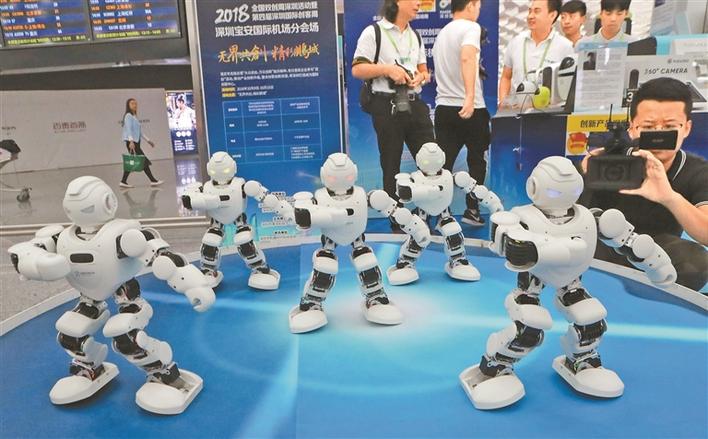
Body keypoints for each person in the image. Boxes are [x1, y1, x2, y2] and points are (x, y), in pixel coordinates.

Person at [581, 77, 708, 291]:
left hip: (656, 255)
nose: (658, 134)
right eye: (648, 126)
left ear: (686, 128)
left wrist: (669, 197)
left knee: (696, 262)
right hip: (600, 247)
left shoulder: (697, 170)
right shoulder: (605, 161)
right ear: (632, 128)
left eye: (669, 126)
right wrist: (584, 176)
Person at [352, 0, 435, 230]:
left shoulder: (415, 35)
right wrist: (388, 69)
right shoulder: (374, 32)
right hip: (386, 105)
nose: (418, 3)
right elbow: (358, 69)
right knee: (391, 164)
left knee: (430, 159)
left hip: (415, 103)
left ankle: (427, 212)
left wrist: (421, 77)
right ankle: (397, 218)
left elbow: (423, 70)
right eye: (414, 0)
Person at [432, 0, 490, 225]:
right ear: (471, 4)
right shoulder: (471, 27)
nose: (478, 10)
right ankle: (472, 210)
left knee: (442, 166)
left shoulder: (442, 34)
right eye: (478, 6)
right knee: (477, 161)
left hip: (444, 108)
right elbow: (467, 57)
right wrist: (469, 97)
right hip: (470, 108)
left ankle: (441, 214)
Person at [498, 0, 574, 105]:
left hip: (550, 112)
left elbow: (569, 85)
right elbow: (506, 77)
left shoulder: (565, 47)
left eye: (537, 11)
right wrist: (503, 102)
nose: (530, 16)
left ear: (552, 15)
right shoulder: (516, 42)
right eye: (530, 11)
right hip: (516, 111)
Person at [120, 98, 163, 188]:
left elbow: (140, 132)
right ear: (128, 105)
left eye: (135, 103)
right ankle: (153, 180)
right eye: (132, 103)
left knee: (134, 161)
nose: (135, 105)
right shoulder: (128, 116)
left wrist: (148, 140)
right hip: (132, 143)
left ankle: (123, 181)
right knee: (142, 160)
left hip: (136, 142)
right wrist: (131, 141)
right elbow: (128, 129)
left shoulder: (134, 116)